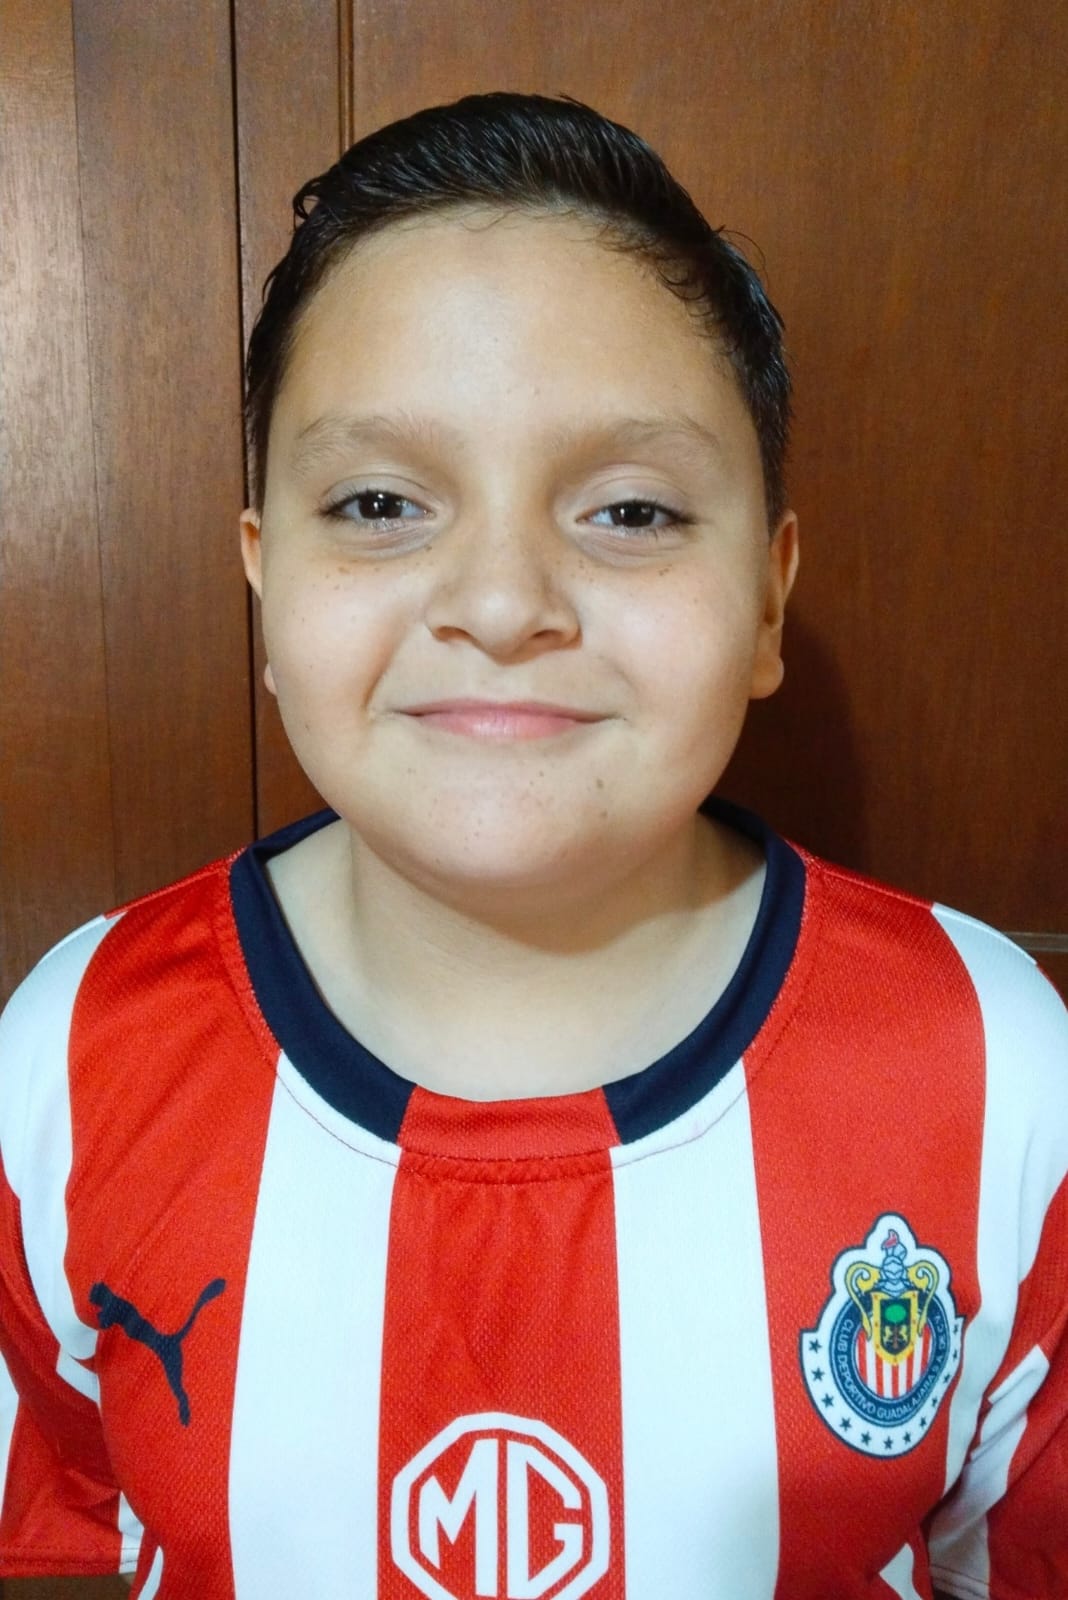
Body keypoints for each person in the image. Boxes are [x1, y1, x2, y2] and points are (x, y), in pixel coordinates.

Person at [0, 92, 1064, 1600]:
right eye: (379, 502)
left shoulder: (997, 1067)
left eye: (630, 512)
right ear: (265, 580)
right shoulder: (72, 1057)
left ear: (768, 598)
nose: (502, 604)